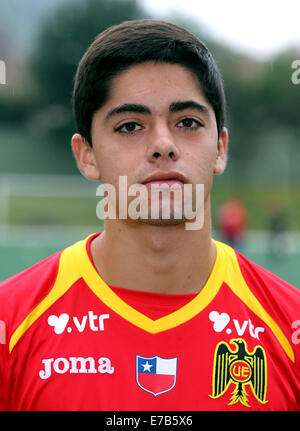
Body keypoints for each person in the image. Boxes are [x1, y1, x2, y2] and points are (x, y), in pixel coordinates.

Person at [0, 19, 299, 411]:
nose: (163, 144)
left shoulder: (289, 329)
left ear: (221, 147)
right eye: (129, 126)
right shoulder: (12, 327)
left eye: (187, 122)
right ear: (85, 154)